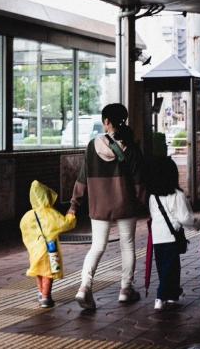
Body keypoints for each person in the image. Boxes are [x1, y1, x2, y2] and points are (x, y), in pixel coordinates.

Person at [68, 103, 145, 310]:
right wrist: (146, 204)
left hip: (99, 205)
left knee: (97, 246)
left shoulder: (92, 146)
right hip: (126, 204)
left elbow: (82, 179)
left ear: (106, 122)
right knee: (127, 245)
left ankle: (84, 287)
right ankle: (125, 289)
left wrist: (74, 204)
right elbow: (139, 183)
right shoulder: (131, 147)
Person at [147, 156, 200, 310]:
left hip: (157, 238)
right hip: (171, 238)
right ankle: (160, 297)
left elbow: (154, 215)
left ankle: (173, 295)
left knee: (164, 268)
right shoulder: (177, 195)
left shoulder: (153, 196)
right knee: (170, 269)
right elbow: (184, 218)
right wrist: (197, 224)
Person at [20, 180, 76, 308]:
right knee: (48, 273)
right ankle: (46, 297)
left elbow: (25, 231)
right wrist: (71, 215)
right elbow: (65, 224)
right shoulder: (50, 213)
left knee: (39, 271)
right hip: (49, 249)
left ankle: (41, 293)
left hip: (35, 250)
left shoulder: (27, 216)